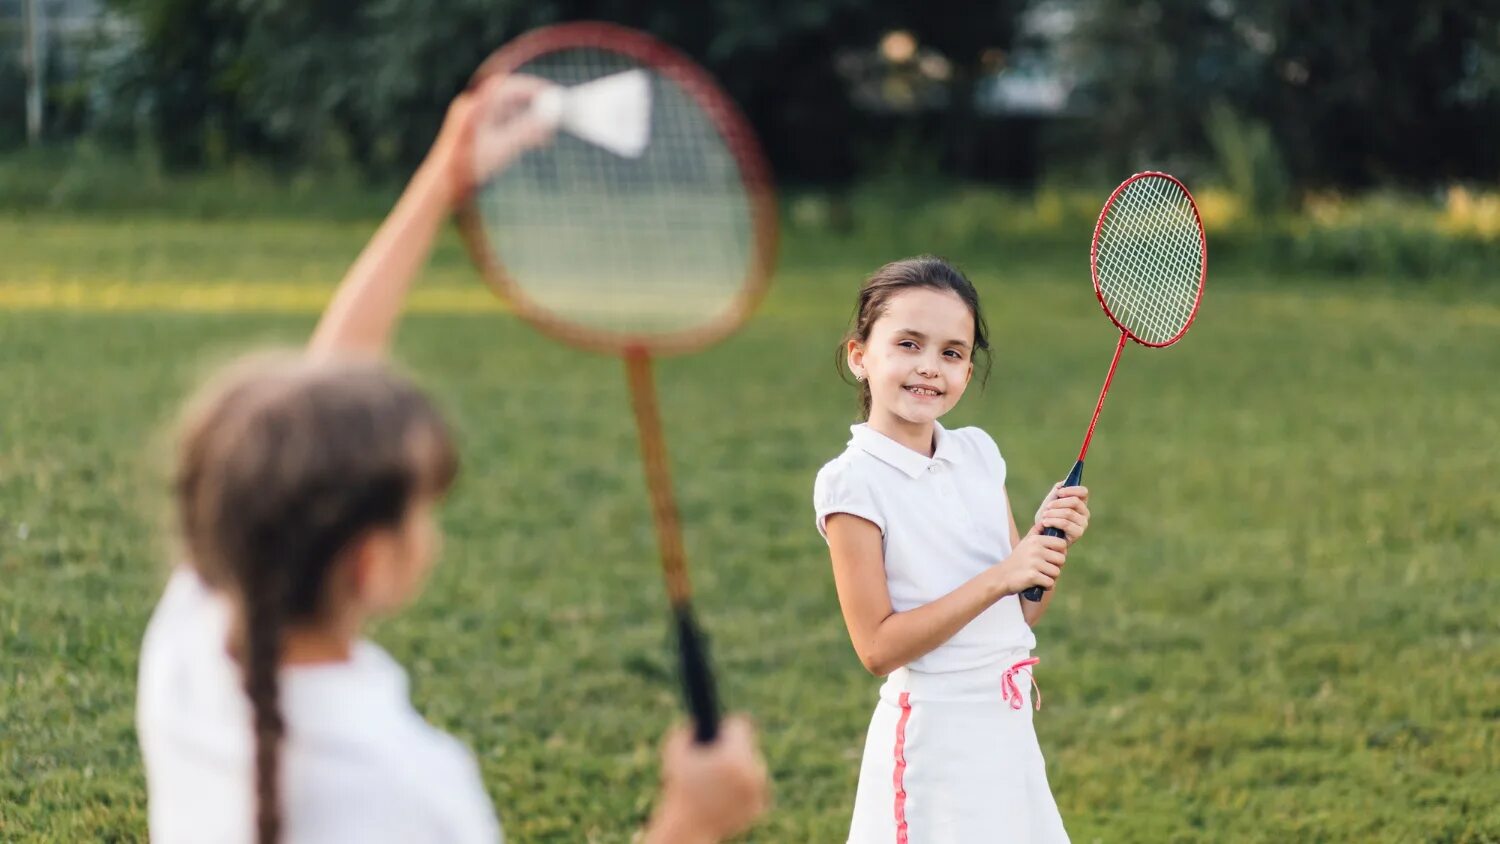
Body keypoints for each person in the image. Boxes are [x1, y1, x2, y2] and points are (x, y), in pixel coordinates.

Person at [137, 72, 769, 844]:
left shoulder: (187, 660)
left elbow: (320, 403)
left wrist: (444, 180)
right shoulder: (404, 785)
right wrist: (689, 825)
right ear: (371, 564)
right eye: (423, 509)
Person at [812, 256, 1091, 842]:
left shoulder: (978, 453)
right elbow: (876, 648)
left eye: (952, 352)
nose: (929, 368)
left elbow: (1023, 610)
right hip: (934, 744)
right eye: (909, 344)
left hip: (1007, 729)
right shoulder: (852, 484)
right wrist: (1001, 576)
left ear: (968, 370)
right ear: (860, 357)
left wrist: (1046, 544)